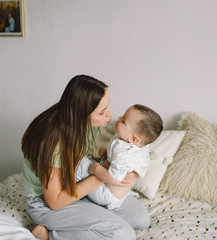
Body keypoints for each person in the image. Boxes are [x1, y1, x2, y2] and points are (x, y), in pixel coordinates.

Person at [21, 75, 150, 240]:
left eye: (108, 106)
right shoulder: (53, 142)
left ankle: (67, 227)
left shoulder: (84, 122)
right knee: (123, 234)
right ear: (81, 114)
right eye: (102, 112)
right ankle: (50, 235)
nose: (110, 114)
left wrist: (118, 167)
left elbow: (82, 159)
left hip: (76, 187)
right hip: (48, 204)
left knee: (140, 219)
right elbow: (55, 202)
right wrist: (107, 175)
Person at [76, 104, 163, 210]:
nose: (118, 118)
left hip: (105, 194)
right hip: (116, 198)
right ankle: (87, 200)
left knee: (82, 162)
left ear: (134, 139)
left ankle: (72, 185)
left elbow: (113, 178)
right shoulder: (140, 146)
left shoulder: (124, 153)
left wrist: (95, 169)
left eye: (123, 121)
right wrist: (107, 154)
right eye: (122, 116)